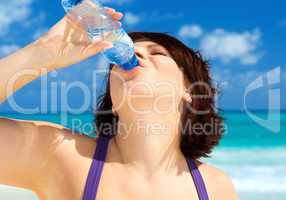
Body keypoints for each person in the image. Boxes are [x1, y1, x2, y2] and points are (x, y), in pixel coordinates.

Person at [0, 7, 237, 200]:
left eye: (158, 53)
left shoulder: (215, 186)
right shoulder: (59, 155)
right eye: (130, 52)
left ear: (190, 90)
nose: (138, 55)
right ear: (113, 101)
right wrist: (43, 51)